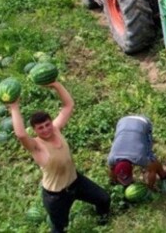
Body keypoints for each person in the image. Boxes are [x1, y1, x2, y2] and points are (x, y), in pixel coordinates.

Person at [8, 82, 110, 233]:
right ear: (35, 130)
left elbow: (68, 105)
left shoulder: (56, 129)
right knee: (59, 227)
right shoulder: (36, 146)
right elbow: (21, 134)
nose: (46, 129)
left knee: (104, 199)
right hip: (56, 196)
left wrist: (56, 85)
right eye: (40, 128)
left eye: (47, 124)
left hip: (76, 182)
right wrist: (14, 107)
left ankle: (103, 223)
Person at [108, 115, 166, 191]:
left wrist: (149, 189)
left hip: (142, 122)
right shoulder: (111, 159)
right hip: (123, 121)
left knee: (151, 159)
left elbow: (152, 170)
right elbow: (112, 171)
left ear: (132, 169)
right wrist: (114, 183)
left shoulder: (140, 158)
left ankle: (164, 176)